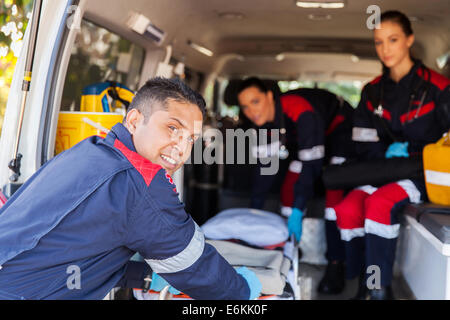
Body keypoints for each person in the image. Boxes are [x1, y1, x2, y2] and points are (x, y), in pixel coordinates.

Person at [0, 77, 261, 300]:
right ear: (134, 120)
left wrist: (145, 276)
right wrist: (243, 292)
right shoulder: (142, 183)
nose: (181, 149)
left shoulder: (91, 149)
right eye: (172, 128)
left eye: (190, 138)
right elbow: (195, 265)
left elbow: (82, 250)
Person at [331, 10, 450, 300]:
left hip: (422, 173)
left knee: (379, 204)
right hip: (381, 168)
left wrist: (413, 152)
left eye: (393, 39)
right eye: (378, 41)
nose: (385, 49)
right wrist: (385, 153)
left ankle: (379, 289)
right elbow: (361, 137)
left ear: (409, 40)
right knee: (347, 209)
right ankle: (364, 282)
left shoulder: (438, 88)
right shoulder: (372, 91)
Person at [236, 77, 356, 295]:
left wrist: (299, 210)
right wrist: (252, 213)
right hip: (313, 138)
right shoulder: (264, 124)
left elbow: (311, 166)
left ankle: (335, 264)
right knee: (290, 185)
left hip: (341, 130)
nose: (251, 111)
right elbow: (264, 171)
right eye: (245, 106)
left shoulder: (300, 111)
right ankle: (287, 252)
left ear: (270, 96)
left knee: (334, 190)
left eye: (255, 101)